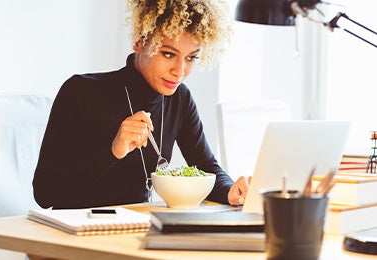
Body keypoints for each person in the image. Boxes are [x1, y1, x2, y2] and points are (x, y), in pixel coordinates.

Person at [33, 0, 250, 209]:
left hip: (135, 230)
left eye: (191, 58)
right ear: (139, 41)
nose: (180, 71)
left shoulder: (179, 99)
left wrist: (230, 191)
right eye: (168, 54)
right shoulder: (80, 91)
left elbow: (206, 166)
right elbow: (45, 193)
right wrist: (112, 152)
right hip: (74, 232)